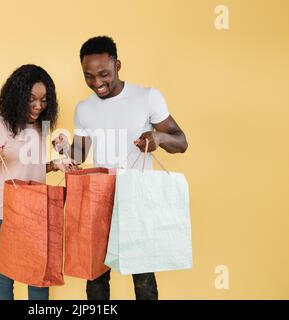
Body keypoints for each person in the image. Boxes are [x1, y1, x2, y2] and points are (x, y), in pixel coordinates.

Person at [53, 36, 188, 300]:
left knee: (143, 278)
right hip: (96, 199)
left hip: (136, 198)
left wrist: (158, 138)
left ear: (118, 65)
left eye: (103, 74)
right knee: (95, 277)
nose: (97, 83)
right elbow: (80, 155)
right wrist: (65, 149)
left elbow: (181, 142)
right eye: (88, 76)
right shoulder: (84, 109)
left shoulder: (147, 97)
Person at [0, 64, 74, 300]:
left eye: (44, 100)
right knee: (3, 276)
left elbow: (33, 167)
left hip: (35, 211)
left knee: (39, 275)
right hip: (1, 213)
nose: (38, 106)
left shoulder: (42, 125)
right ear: (17, 96)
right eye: (31, 99)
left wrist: (56, 164)